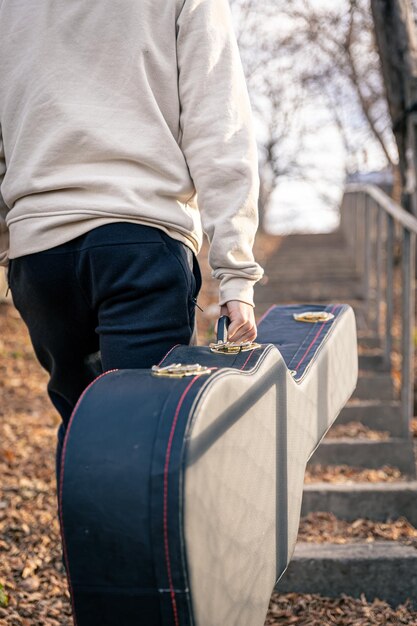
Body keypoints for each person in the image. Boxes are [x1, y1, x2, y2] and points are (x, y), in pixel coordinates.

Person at [0, 0, 264, 487]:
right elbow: (218, 124)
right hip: (139, 239)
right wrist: (236, 275)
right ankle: (139, 564)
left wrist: (11, 238)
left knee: (83, 430)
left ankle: (88, 561)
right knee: (146, 440)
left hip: (38, 254)